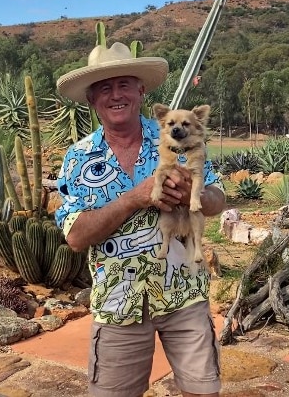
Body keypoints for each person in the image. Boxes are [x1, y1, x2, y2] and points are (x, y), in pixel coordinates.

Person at [54, 42, 226, 397]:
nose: (115, 95)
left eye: (123, 85)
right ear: (91, 98)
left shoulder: (180, 137)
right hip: (119, 303)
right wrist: (135, 197)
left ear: (140, 91)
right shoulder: (79, 158)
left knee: (204, 391)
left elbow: (216, 197)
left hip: (184, 294)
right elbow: (75, 236)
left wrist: (196, 195)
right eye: (104, 87)